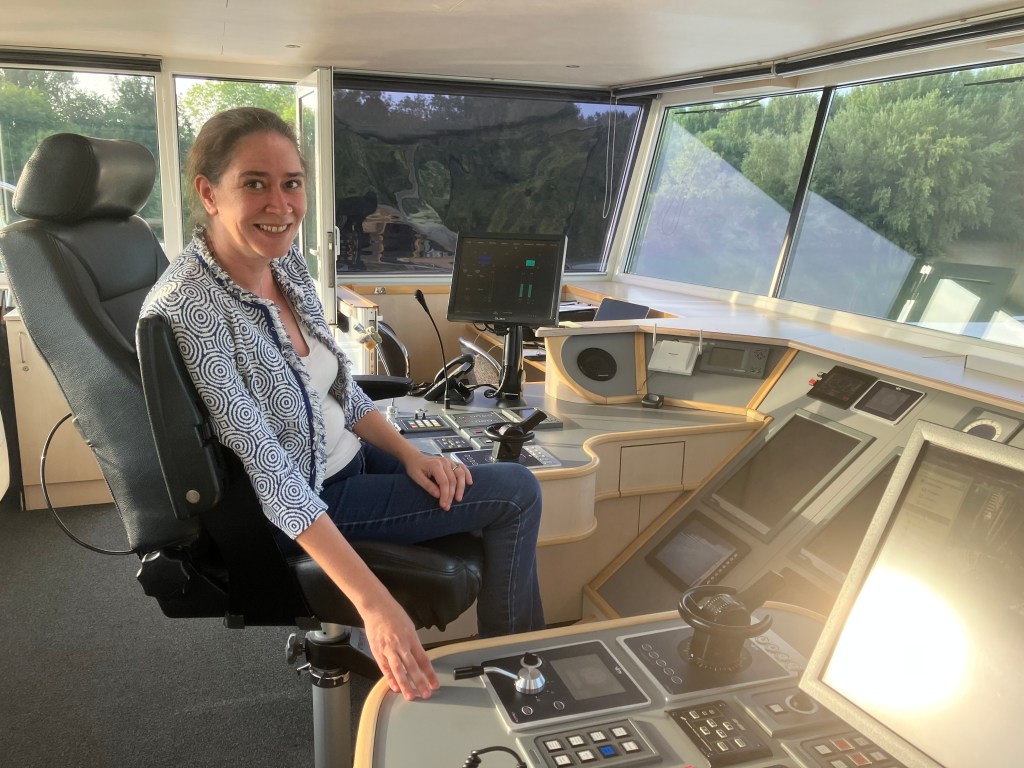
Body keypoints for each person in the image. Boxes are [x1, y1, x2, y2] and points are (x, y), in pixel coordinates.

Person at [140, 107, 544, 701]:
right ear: (209, 193)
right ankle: (518, 674)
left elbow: (342, 389)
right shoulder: (189, 308)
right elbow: (273, 478)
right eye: (254, 184)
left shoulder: (286, 264)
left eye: (291, 183)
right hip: (309, 496)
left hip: (350, 460)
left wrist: (409, 455)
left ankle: (504, 654)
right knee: (516, 492)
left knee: (459, 465)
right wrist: (374, 604)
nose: (280, 205)